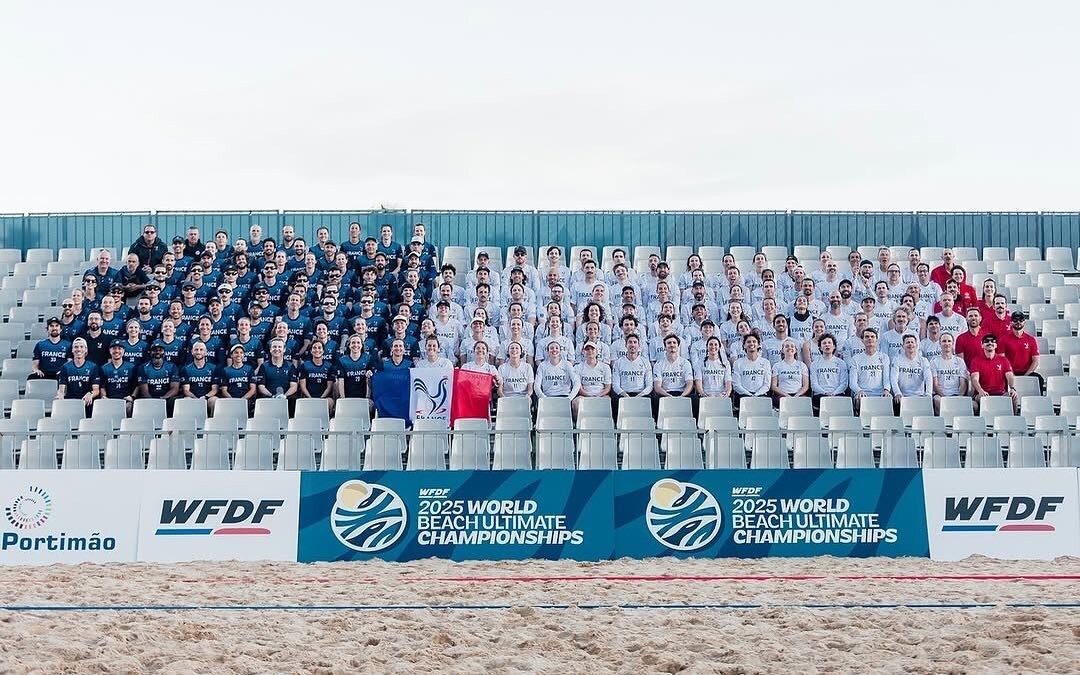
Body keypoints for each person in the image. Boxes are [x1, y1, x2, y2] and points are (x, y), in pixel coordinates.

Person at [969, 333, 1019, 413]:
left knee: (1014, 396)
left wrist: (1012, 388)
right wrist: (980, 390)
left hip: (1001, 393)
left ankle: (1014, 420)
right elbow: (974, 379)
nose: (990, 343)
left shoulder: (1004, 360)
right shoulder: (976, 361)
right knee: (973, 405)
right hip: (983, 394)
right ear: (982, 345)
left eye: (993, 341)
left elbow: (1010, 376)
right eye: (986, 341)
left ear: (996, 345)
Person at [848, 328, 892, 410]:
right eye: (867, 336)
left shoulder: (884, 357)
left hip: (880, 393)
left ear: (877, 340)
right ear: (862, 340)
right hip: (863, 393)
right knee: (858, 399)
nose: (870, 339)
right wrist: (859, 391)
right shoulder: (855, 359)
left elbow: (886, 378)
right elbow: (852, 383)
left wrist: (886, 390)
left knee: (888, 398)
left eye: (872, 337)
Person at [998, 311, 1042, 390]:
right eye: (1015, 320)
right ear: (1011, 323)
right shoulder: (1003, 339)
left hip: (1027, 372)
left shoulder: (1031, 339)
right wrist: (1011, 374)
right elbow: (1002, 360)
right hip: (1010, 373)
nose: (1018, 322)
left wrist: (1026, 376)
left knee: (1039, 379)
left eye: (1020, 320)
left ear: (1024, 322)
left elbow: (1036, 361)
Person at [55, 338, 100, 410]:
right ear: (72, 350)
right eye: (76, 347)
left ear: (86, 350)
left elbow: (96, 390)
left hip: (86, 401)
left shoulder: (93, 367)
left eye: (81, 347)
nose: (79, 349)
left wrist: (91, 394)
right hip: (71, 402)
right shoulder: (65, 367)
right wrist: (60, 395)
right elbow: (61, 389)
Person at [931, 332, 969, 413]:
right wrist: (945, 398)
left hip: (956, 395)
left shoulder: (960, 361)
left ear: (952, 343)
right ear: (940, 344)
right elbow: (935, 385)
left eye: (949, 341)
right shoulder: (934, 361)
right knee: (937, 400)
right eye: (944, 341)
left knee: (974, 406)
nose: (947, 343)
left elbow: (963, 383)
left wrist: (959, 397)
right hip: (941, 396)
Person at [890, 334, 933, 406]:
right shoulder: (897, 360)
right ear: (903, 346)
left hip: (919, 396)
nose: (910, 344)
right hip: (902, 396)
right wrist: (897, 393)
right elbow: (893, 378)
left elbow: (928, 378)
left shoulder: (923, 360)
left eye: (912, 342)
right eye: (907, 342)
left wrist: (928, 394)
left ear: (916, 345)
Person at [731, 333, 772, 406]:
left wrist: (756, 395)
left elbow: (767, 384)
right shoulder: (738, 363)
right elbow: (736, 384)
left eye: (754, 341)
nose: (751, 344)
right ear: (744, 345)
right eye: (748, 342)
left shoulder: (766, 362)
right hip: (743, 396)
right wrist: (749, 395)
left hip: (761, 395)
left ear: (759, 345)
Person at [138, 343, 181, 411]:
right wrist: (153, 402)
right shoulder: (143, 367)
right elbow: (144, 391)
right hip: (150, 399)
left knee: (174, 401)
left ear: (164, 353)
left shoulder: (172, 366)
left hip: (167, 398)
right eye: (154, 350)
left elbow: (175, 389)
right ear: (150, 353)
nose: (157, 352)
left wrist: (163, 398)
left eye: (160, 350)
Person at [573, 342, 612, 416]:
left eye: (592, 349)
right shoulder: (578, 367)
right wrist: (588, 395)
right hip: (585, 395)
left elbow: (607, 388)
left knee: (607, 400)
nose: (590, 351)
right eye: (587, 349)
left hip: (601, 395)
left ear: (597, 352)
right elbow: (579, 387)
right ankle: (579, 425)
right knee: (576, 402)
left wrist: (598, 395)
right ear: (583, 353)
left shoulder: (605, 367)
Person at [99, 340, 137, 416]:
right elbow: (102, 386)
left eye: (119, 349)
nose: (116, 351)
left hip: (125, 399)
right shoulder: (104, 368)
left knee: (129, 407)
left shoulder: (131, 367)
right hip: (110, 400)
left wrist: (132, 397)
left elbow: (137, 385)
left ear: (123, 351)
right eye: (114, 348)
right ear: (110, 351)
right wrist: (104, 397)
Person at [809, 333, 848, 406]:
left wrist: (834, 393)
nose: (827, 345)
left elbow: (844, 384)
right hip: (820, 395)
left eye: (829, 343)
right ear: (820, 347)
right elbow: (814, 384)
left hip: (838, 394)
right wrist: (825, 393)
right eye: (824, 343)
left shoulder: (841, 363)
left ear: (834, 347)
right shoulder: (814, 364)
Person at [299, 340, 337, 415]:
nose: (317, 350)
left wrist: (321, 399)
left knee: (330, 402)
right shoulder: (305, 365)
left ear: (323, 351)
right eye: (314, 348)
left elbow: (329, 387)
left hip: (324, 397)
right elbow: (303, 386)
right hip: (308, 396)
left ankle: (326, 424)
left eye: (319, 348)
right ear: (311, 351)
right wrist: (310, 398)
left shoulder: (329, 366)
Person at [257, 338, 300, 403]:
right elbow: (261, 387)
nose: (277, 349)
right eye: (274, 347)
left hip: (286, 400)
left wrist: (284, 396)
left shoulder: (290, 366)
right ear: (270, 349)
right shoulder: (264, 366)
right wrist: (272, 396)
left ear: (284, 349)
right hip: (269, 400)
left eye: (279, 347)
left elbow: (294, 386)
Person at [218, 344, 258, 413]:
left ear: (243, 355)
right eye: (236, 352)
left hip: (246, 400)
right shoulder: (226, 370)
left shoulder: (249, 369)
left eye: (241, 352)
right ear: (231, 355)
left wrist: (242, 400)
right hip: (230, 401)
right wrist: (234, 401)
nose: (239, 355)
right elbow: (224, 391)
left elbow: (253, 389)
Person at [336, 334, 377, 400]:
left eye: (358, 343)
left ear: (362, 345)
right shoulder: (342, 360)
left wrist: (367, 397)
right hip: (348, 396)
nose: (355, 345)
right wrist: (343, 398)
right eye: (353, 343)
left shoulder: (368, 358)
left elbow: (368, 379)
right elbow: (341, 380)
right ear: (349, 345)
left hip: (364, 396)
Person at [771, 338, 809, 405]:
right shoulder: (777, 365)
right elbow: (773, 386)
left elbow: (806, 385)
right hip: (782, 395)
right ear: (782, 350)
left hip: (798, 395)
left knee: (805, 401)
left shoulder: (802, 365)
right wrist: (786, 395)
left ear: (795, 350)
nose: (790, 348)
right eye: (787, 346)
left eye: (792, 346)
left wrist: (797, 395)